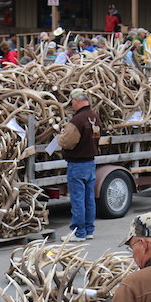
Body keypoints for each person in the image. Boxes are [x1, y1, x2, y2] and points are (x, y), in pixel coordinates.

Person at [58, 89, 101, 242]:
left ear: (76, 100)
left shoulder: (77, 120)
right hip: (90, 163)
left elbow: (68, 143)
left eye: (72, 102)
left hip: (77, 165)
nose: (72, 105)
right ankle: (89, 230)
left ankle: (78, 232)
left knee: (77, 200)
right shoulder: (94, 117)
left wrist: (60, 137)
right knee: (89, 199)